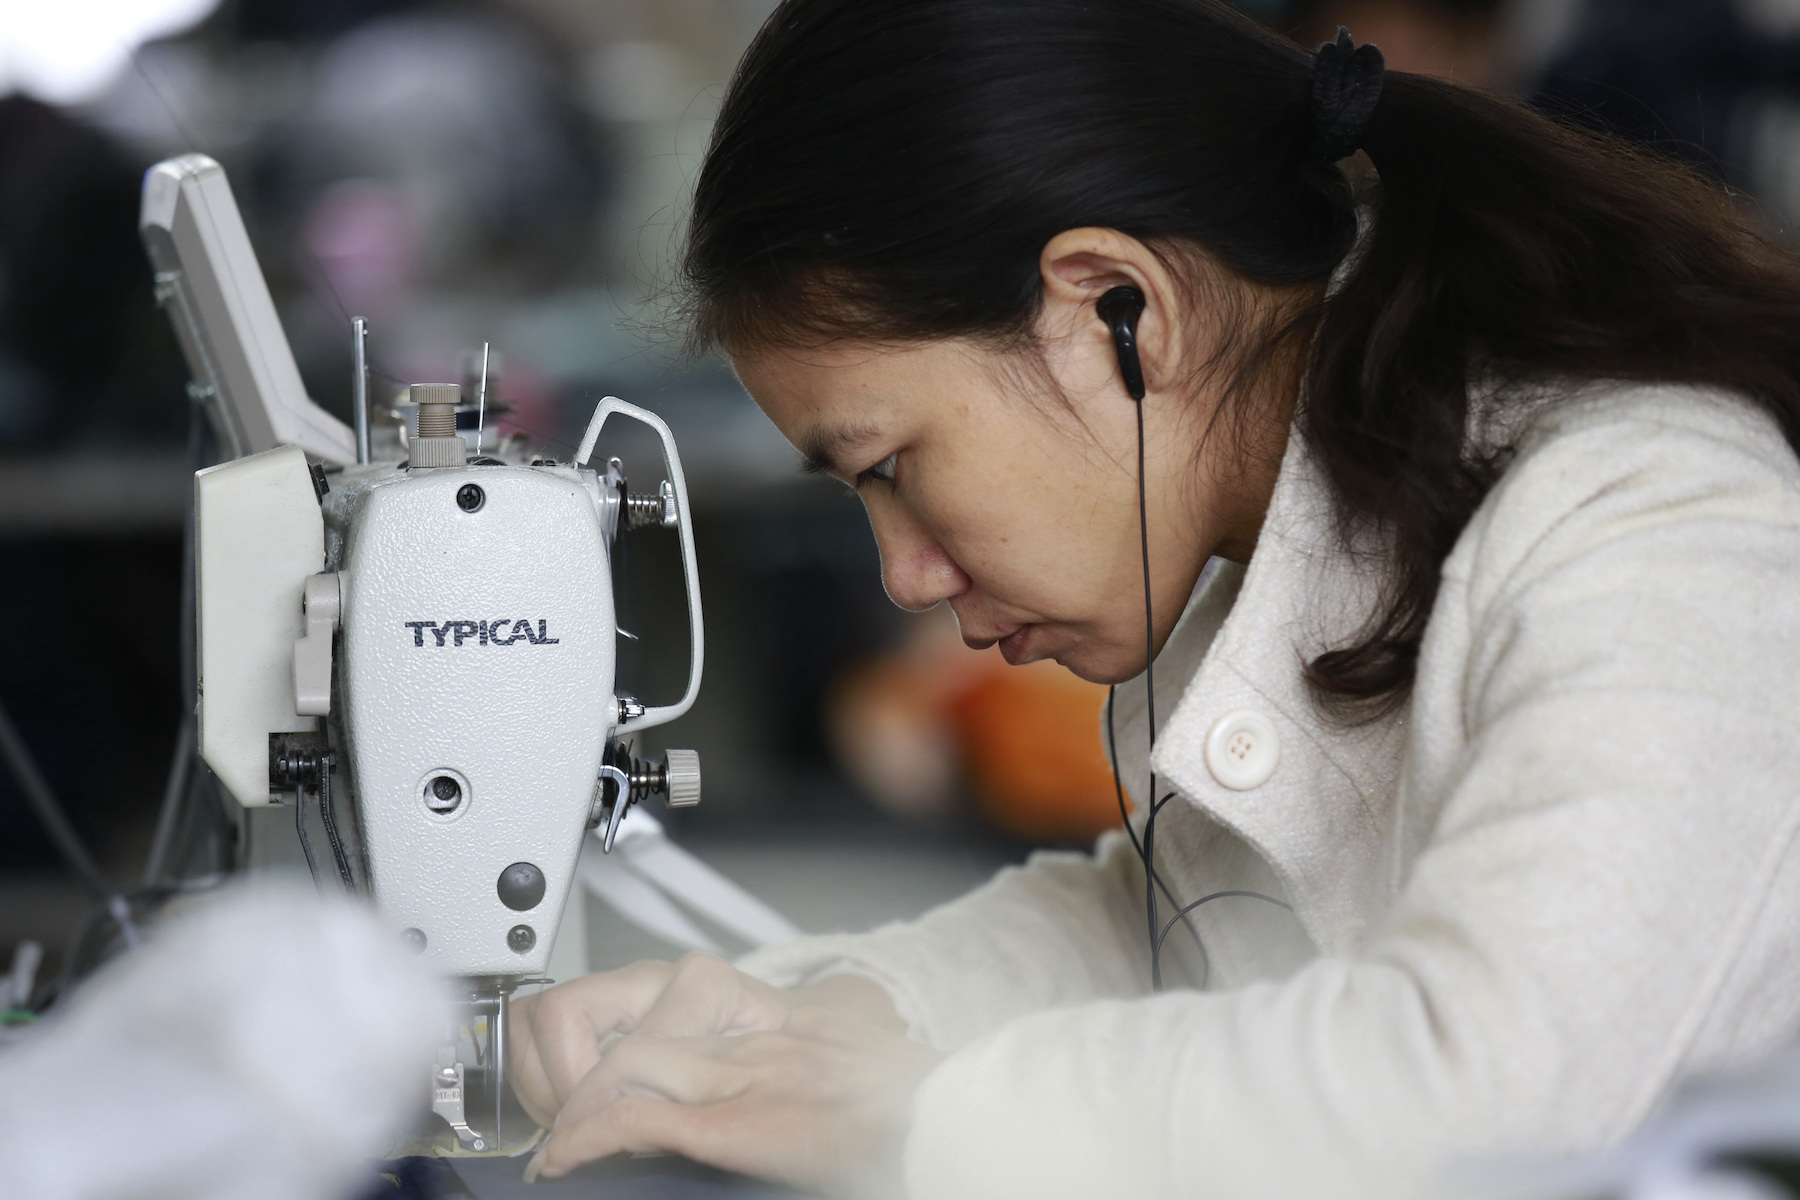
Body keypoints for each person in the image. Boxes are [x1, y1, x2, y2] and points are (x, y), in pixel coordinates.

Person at [508, 1, 1800, 1196]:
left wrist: (919, 1110)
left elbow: (1499, 1078)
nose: (905, 573)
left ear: (1115, 305)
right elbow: (1170, 928)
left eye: (893, 468)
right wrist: (829, 1016)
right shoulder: (1304, 546)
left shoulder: (1654, 522)